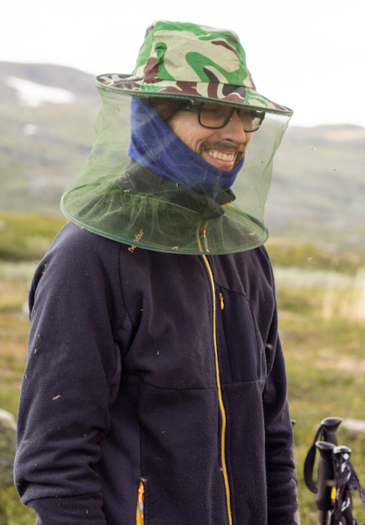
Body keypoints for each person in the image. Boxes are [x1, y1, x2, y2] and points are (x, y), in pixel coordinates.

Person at [14, 21, 298, 525]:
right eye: (212, 110)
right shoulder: (90, 257)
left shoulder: (243, 254)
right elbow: (54, 463)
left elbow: (270, 432)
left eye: (245, 115)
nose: (234, 133)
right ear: (153, 117)